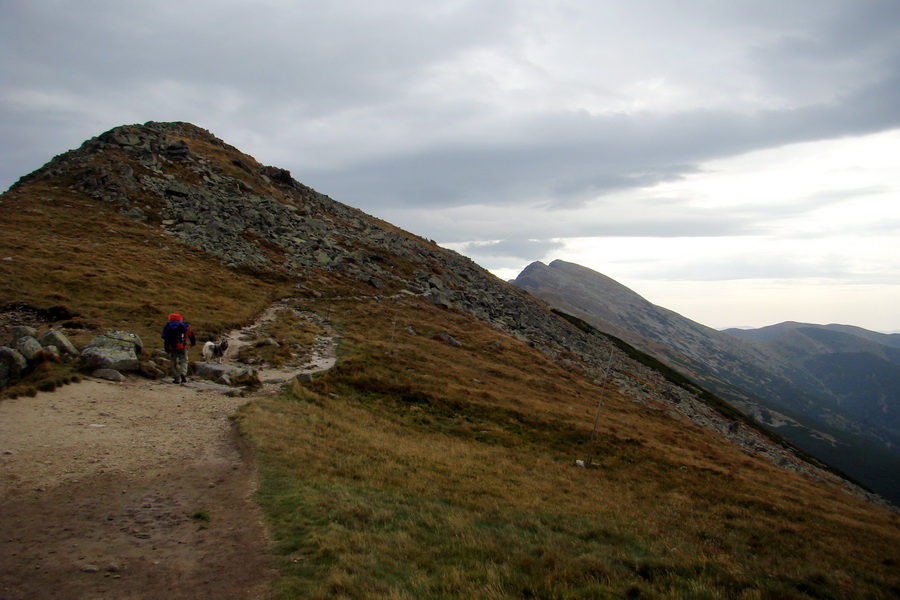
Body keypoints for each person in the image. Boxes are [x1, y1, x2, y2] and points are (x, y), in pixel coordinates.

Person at [161, 312, 196, 384]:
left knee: (173, 363)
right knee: (184, 360)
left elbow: (165, 338)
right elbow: (191, 334)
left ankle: (176, 378)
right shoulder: (183, 326)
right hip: (182, 347)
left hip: (172, 348)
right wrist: (193, 343)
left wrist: (166, 348)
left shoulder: (167, 327)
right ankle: (183, 373)